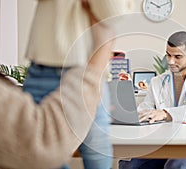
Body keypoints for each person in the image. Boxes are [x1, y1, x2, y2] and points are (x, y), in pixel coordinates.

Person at [0, 12, 115, 169]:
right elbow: (41, 146)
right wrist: (101, 52)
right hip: (66, 70)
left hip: (80, 71)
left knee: (96, 150)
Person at [23, 1, 134, 169]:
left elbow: (113, 14)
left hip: (85, 69)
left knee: (95, 154)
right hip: (47, 69)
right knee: (42, 157)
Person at [119, 31, 186, 169]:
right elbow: (144, 110)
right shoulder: (157, 82)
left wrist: (165, 113)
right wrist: (127, 113)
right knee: (129, 165)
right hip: (161, 145)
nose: (170, 61)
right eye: (168, 55)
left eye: (177, 56)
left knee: (176, 165)